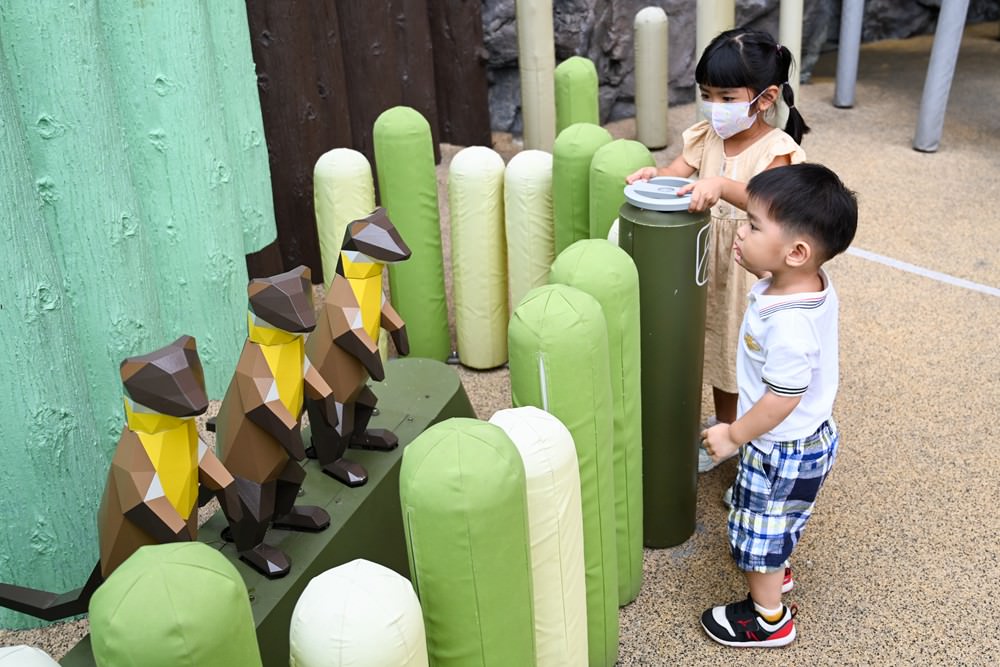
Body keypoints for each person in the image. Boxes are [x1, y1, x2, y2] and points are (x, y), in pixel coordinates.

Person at [626, 28, 809, 474]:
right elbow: (677, 171)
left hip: (746, 267)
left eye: (726, 98)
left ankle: (736, 437)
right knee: (709, 344)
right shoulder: (706, 135)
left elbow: (770, 206)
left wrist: (722, 186)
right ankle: (722, 427)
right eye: (707, 96)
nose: (714, 107)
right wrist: (655, 175)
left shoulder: (776, 150)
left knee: (736, 352)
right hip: (704, 261)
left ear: (765, 99)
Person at [699, 163, 858, 647]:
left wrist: (732, 434)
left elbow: (782, 398)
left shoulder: (789, 325)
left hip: (780, 448)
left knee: (758, 530)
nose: (741, 233)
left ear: (796, 252)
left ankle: (768, 618)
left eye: (752, 226)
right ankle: (775, 565)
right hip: (805, 439)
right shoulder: (803, 281)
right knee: (778, 517)